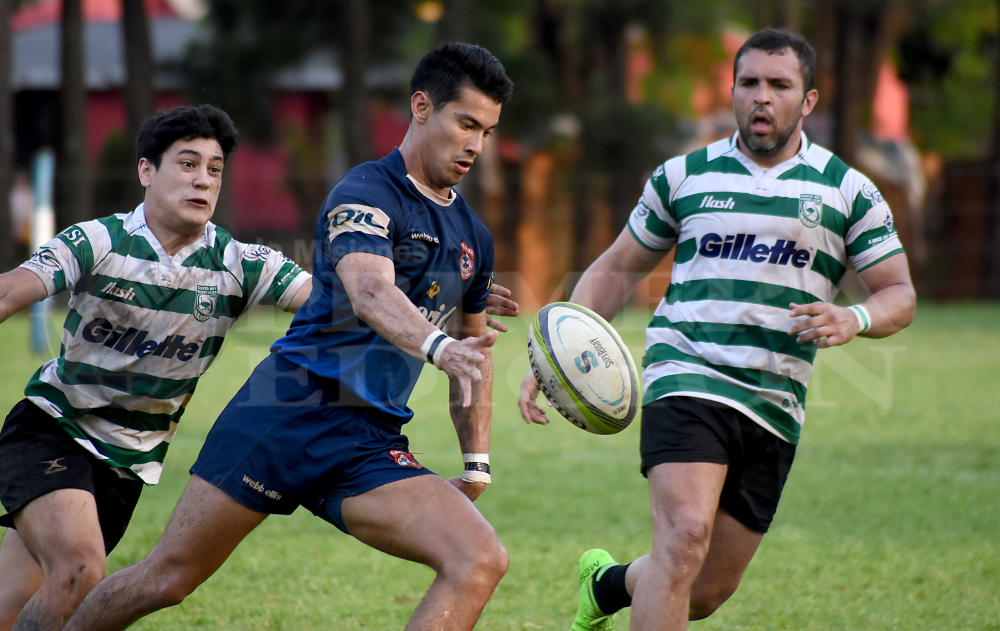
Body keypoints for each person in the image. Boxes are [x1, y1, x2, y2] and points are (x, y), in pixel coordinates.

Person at [0, 102, 520, 631]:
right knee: (85, 572)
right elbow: (7, 293)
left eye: (215, 169)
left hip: (130, 459)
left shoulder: (238, 263)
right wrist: (429, 334)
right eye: (187, 164)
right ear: (146, 170)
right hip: (56, 429)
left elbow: (339, 300)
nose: (203, 180)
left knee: (15, 603)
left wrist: (438, 294)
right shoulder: (98, 241)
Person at [518, 29, 916, 631]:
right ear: (732, 90)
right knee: (683, 539)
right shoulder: (684, 176)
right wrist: (556, 350)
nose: (762, 97)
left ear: (808, 100)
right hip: (686, 375)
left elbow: (899, 294)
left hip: (774, 401)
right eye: (749, 83)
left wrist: (853, 316)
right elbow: (616, 268)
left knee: (703, 591)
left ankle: (606, 585)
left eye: (779, 85)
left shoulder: (848, 190)